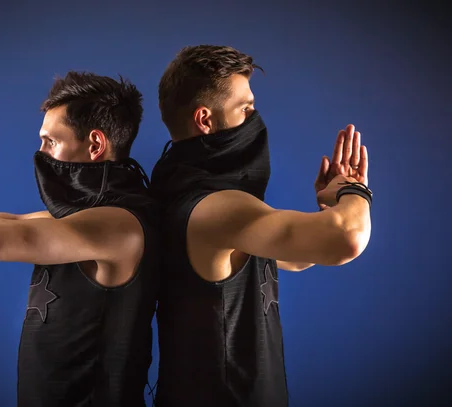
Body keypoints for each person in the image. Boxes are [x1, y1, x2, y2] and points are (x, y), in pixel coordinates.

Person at [150, 45, 373, 407]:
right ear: (205, 120)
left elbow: (295, 257)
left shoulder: (176, 192)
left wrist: (326, 205)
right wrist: (354, 191)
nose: (255, 118)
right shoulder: (216, 207)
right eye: (246, 109)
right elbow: (347, 239)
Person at [0, 71, 159, 407]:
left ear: (95, 144)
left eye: (51, 141)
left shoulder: (119, 225)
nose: (41, 153)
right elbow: (1, 223)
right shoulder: (84, 219)